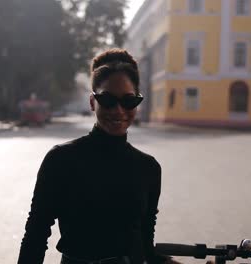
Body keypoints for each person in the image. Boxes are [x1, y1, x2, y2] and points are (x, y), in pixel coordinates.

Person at [17, 49, 178, 264]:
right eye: (108, 100)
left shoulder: (148, 168)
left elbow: (144, 246)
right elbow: (36, 236)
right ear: (93, 102)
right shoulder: (61, 160)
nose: (119, 110)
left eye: (128, 101)